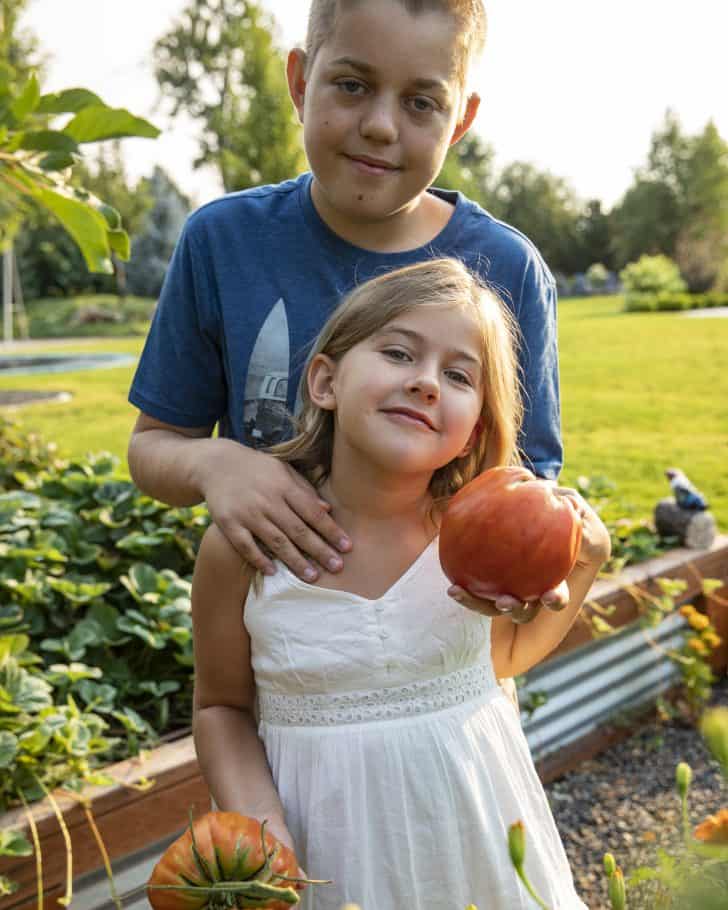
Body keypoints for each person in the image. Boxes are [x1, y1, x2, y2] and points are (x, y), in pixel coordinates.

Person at [191, 259, 611, 909]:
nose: (424, 383)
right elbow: (222, 707)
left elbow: (497, 662)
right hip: (327, 858)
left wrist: (585, 562)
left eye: (458, 375)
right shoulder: (246, 547)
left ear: (478, 420)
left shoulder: (485, 535)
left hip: (474, 837)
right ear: (325, 380)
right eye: (397, 352)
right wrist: (261, 830)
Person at [127, 0, 564, 625]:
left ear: (461, 119)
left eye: (421, 101)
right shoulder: (222, 241)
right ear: (301, 82)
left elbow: (525, 483)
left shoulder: (506, 267)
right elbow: (153, 450)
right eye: (353, 85)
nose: (381, 126)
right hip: (269, 661)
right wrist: (213, 462)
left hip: (439, 655)